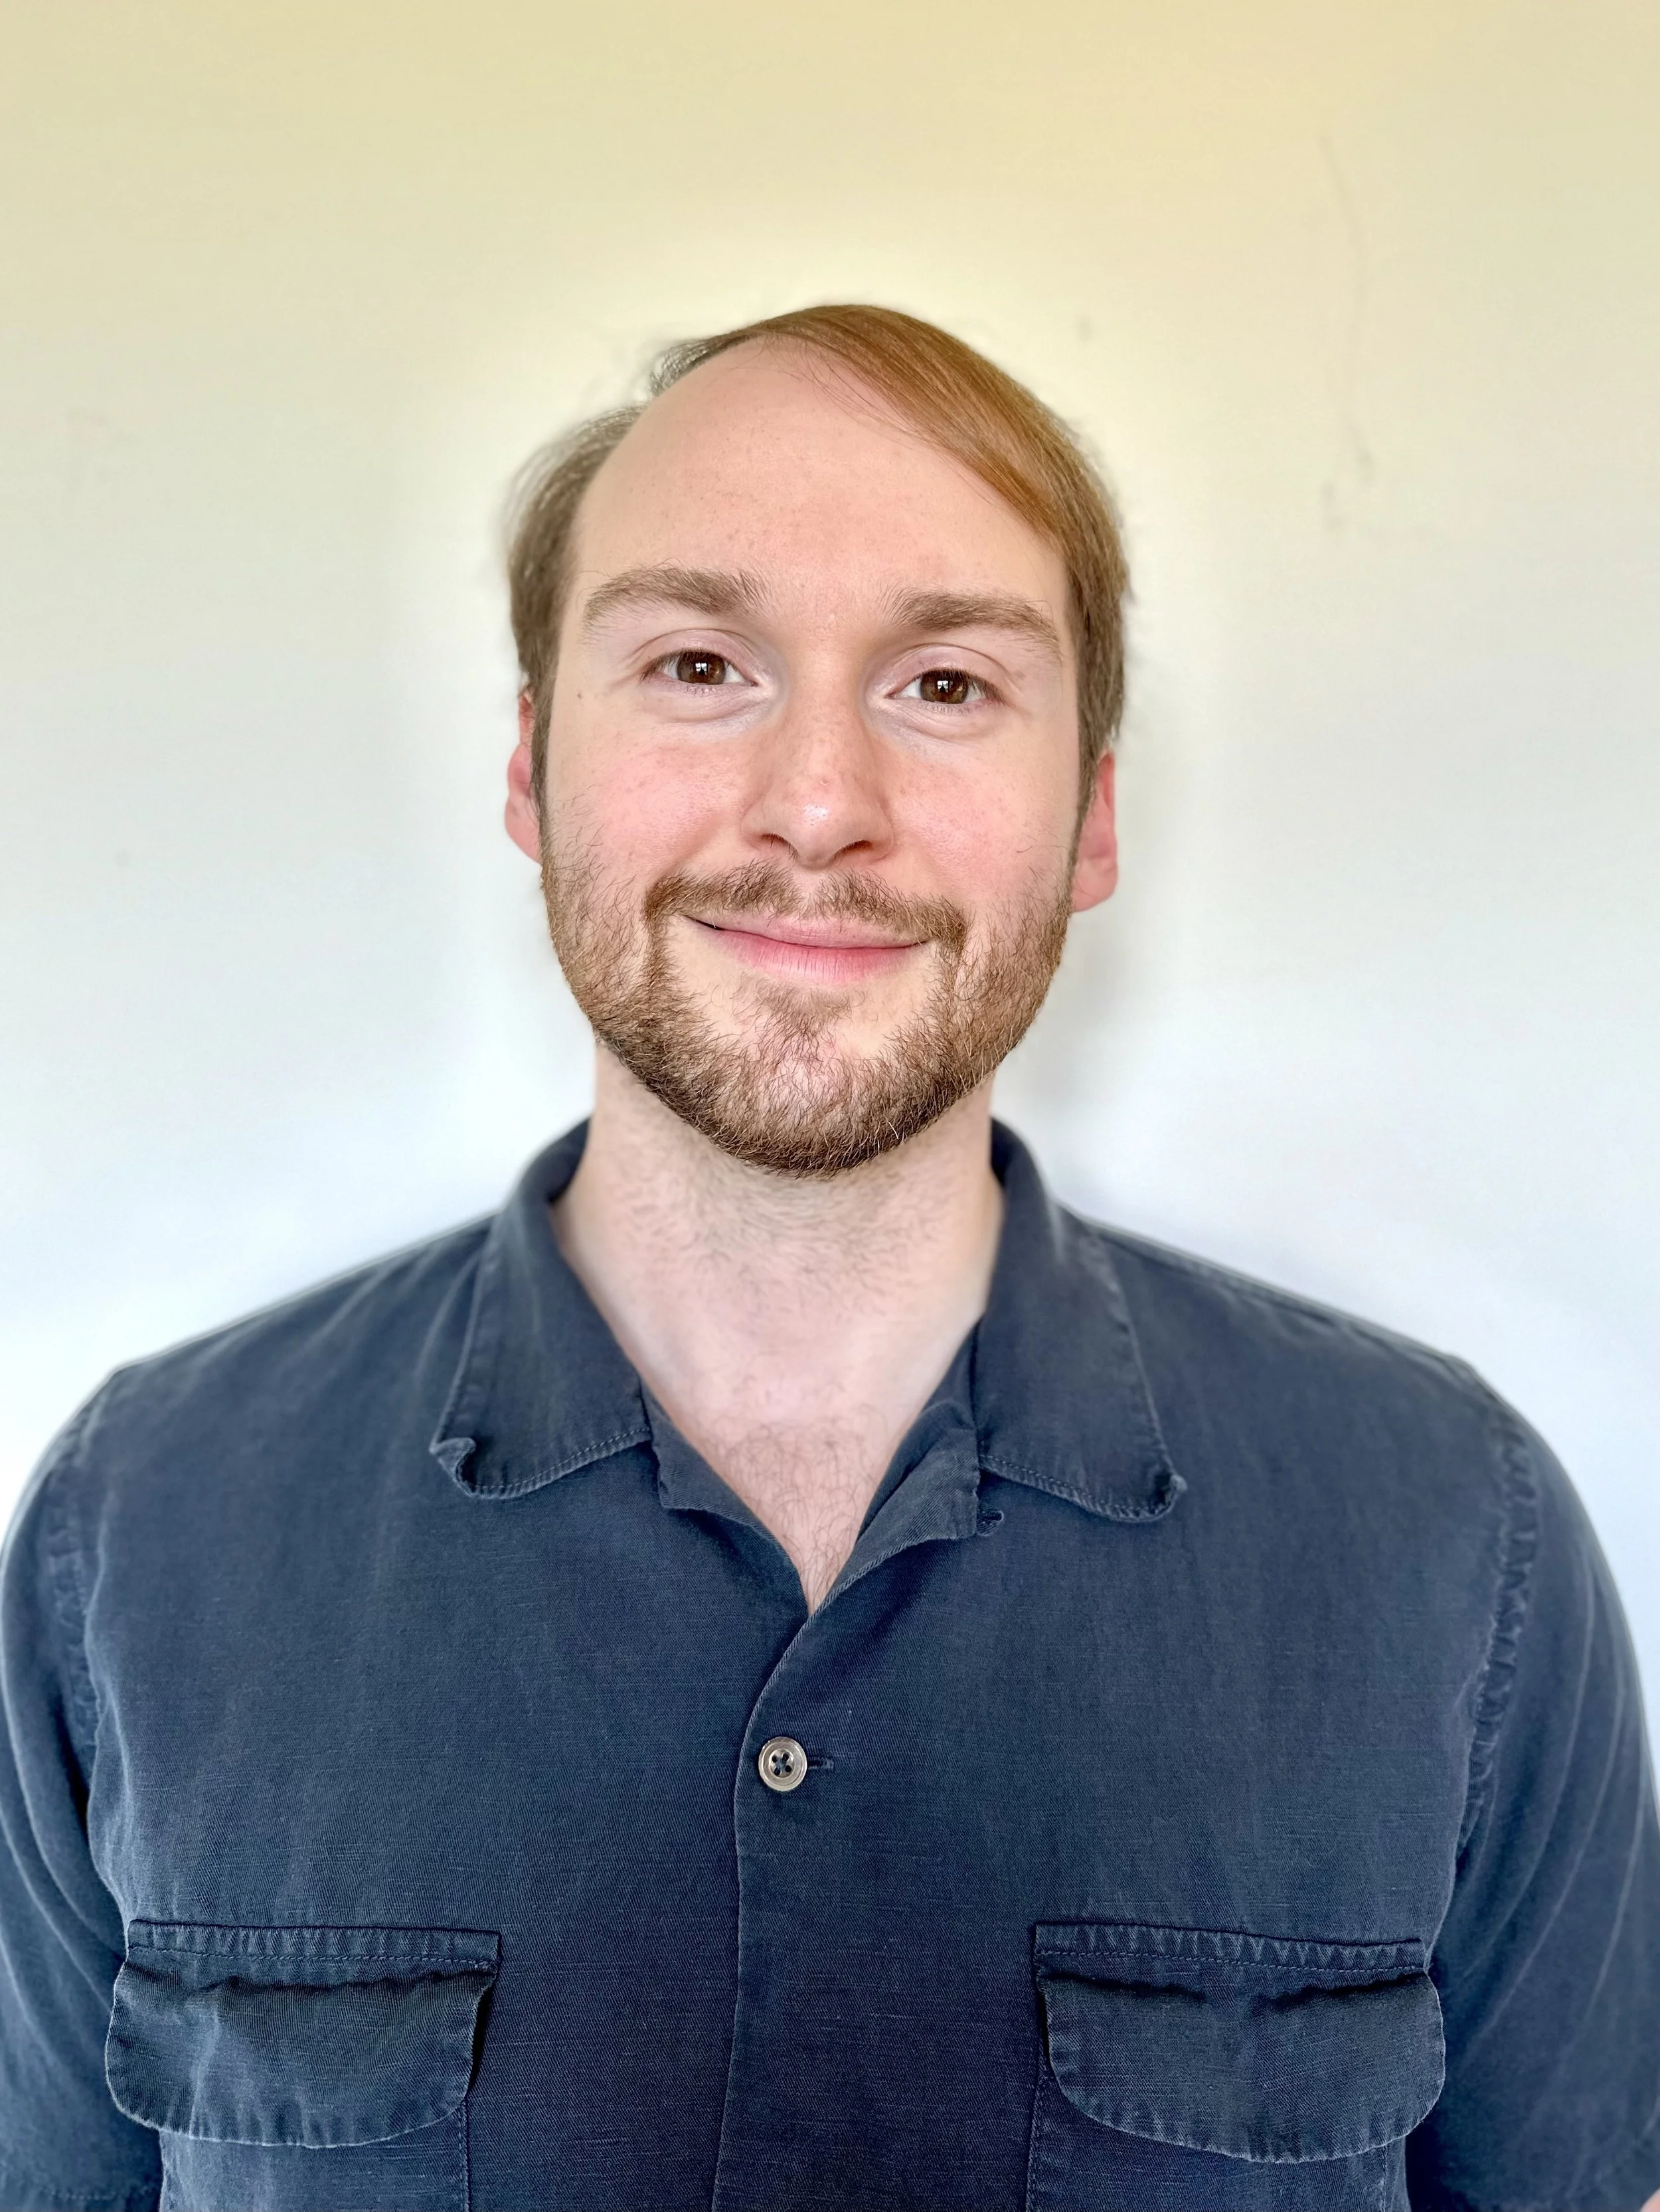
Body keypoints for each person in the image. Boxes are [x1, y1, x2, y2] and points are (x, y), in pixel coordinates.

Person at [1, 304, 1655, 2212]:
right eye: (700, 662)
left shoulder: (1454, 1531)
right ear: (533, 770)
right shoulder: (143, 1523)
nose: (815, 802)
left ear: (1090, 815)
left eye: (944, 684)